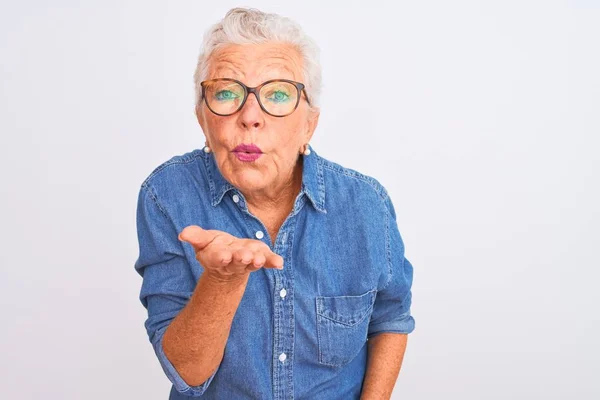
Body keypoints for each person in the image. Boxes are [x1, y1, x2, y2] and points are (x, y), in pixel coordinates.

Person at [134, 7, 415, 400]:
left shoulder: (366, 204)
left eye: (278, 94)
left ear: (309, 123)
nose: (250, 116)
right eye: (226, 92)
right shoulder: (165, 196)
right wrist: (221, 280)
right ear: (202, 117)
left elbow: (391, 319)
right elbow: (188, 374)